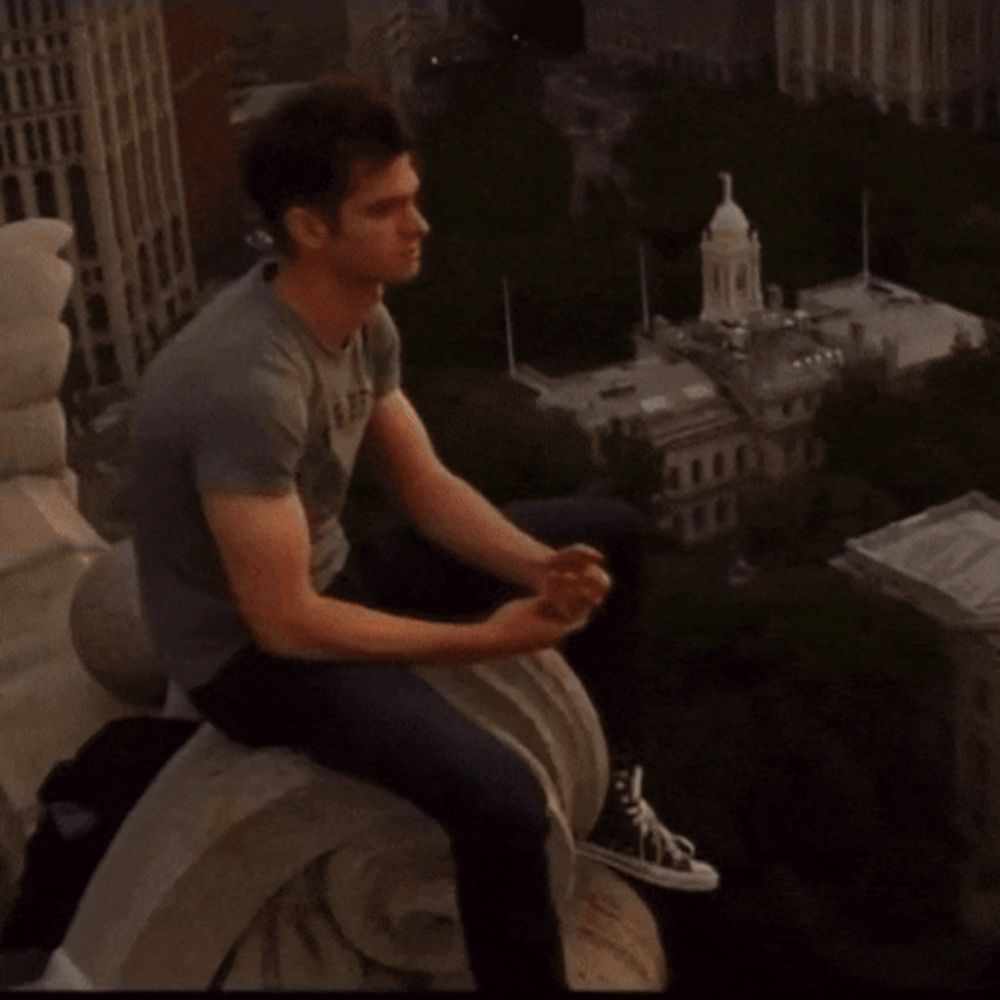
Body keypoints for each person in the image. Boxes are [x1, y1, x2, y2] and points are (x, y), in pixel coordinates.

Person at [132, 81, 716, 991]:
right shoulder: (246, 381)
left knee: (609, 533)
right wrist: (482, 642)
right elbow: (282, 622)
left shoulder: (360, 313)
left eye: (413, 198)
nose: (419, 226)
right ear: (308, 228)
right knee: (503, 799)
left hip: (335, 580)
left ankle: (614, 808)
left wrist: (538, 567)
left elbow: (429, 488)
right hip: (251, 664)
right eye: (387, 208)